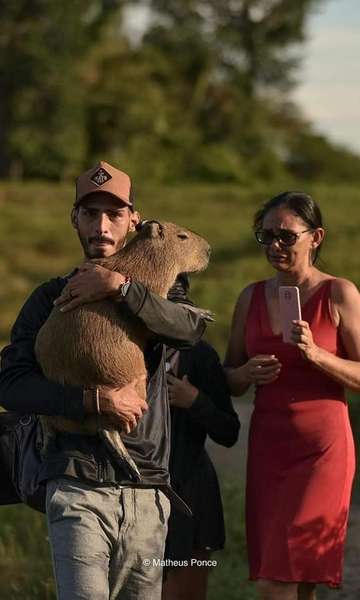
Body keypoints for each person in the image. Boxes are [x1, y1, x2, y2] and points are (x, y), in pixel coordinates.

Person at [0, 161, 209, 600]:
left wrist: (121, 289)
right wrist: (93, 400)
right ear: (74, 218)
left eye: (114, 214)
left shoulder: (160, 294)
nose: (101, 225)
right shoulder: (47, 298)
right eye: (90, 213)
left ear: (134, 220)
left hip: (147, 490)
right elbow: (12, 384)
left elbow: (189, 330)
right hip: (76, 485)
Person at [224, 191, 360, 600]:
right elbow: (227, 377)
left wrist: (317, 355)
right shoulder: (250, 297)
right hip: (268, 449)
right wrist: (244, 374)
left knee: (276, 582)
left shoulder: (339, 294)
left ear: (315, 237)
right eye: (265, 237)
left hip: (321, 452)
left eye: (285, 236)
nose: (274, 246)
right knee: (294, 582)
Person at [161, 274, 240, 600]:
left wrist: (195, 401)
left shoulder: (200, 355)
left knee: (186, 593)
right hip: (139, 494)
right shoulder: (126, 354)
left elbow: (228, 431)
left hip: (192, 494)